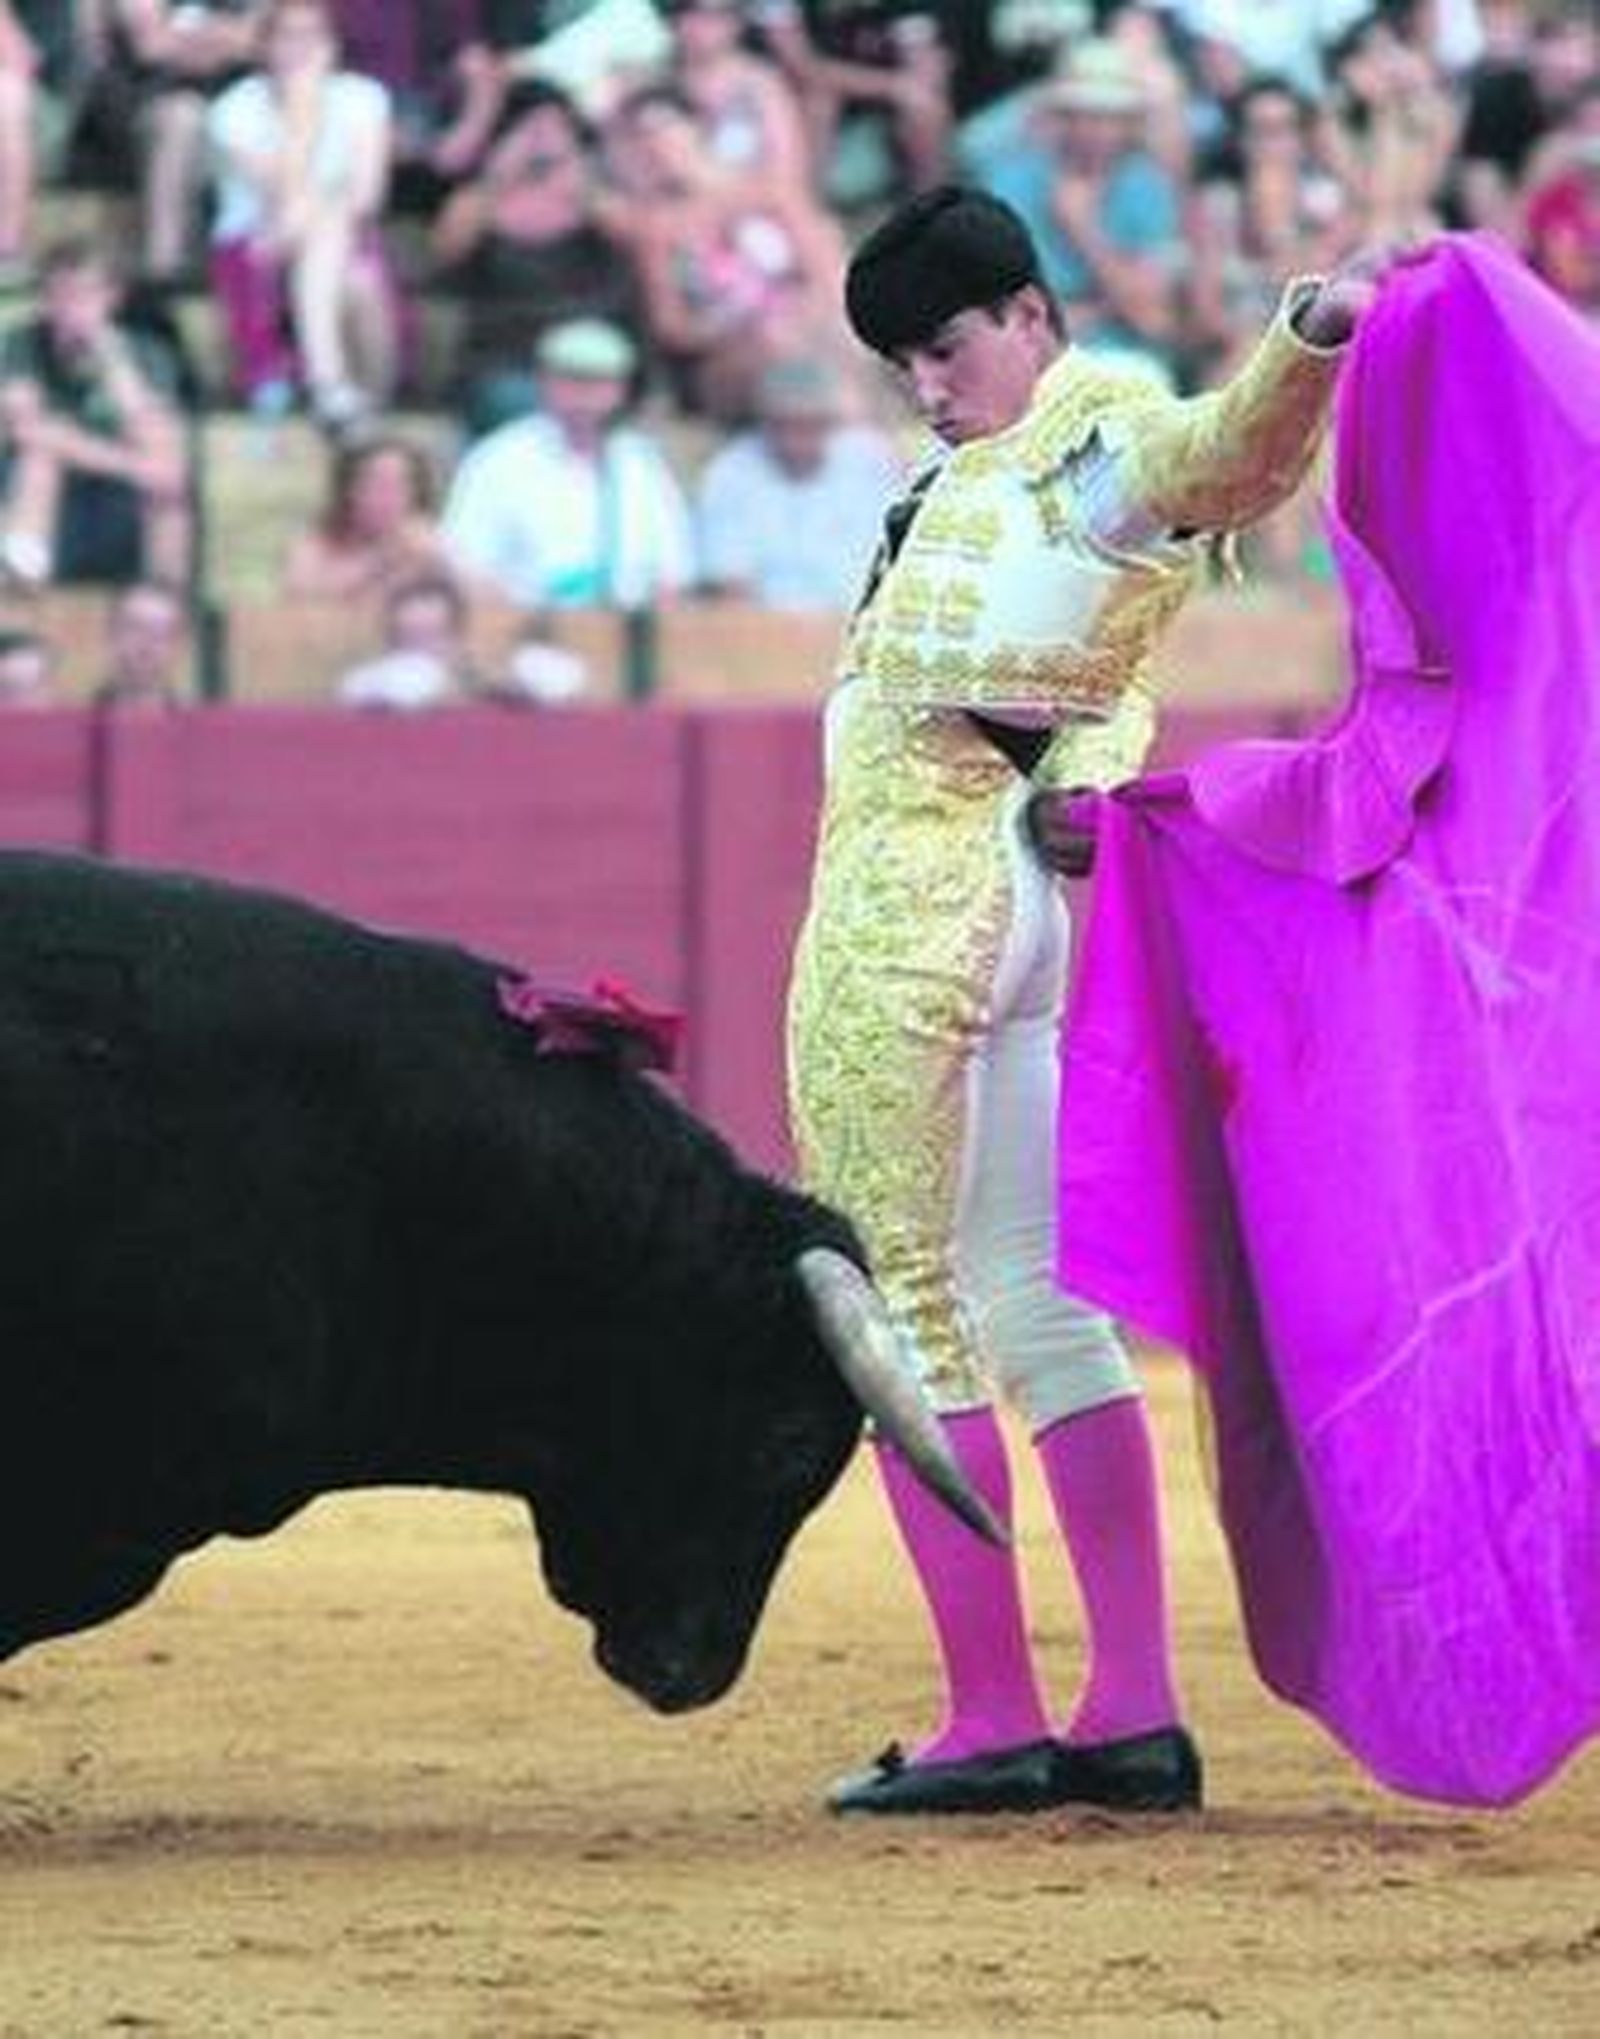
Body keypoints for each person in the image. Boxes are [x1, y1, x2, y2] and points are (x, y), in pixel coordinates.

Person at [785, 184, 1416, 1815]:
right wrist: (1091, 758)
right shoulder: (985, 479)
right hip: (1016, 916)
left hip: (903, 925)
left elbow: (1222, 454)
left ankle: (992, 1709)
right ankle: (1130, 1704)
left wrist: (1308, 337)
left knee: (895, 1303)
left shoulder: (1096, 433)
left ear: (1034, 318)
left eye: (946, 346)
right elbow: (1110, 661)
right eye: (904, 363)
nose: (929, 383)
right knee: (1031, 1294)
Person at [205, 0, 399, 430]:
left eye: (313, 36)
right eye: (287, 36)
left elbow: (366, 198)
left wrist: (306, 225)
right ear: (265, 46)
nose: (301, 48)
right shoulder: (233, 109)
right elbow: (282, 191)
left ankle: (341, 386)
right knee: (328, 238)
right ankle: (330, 384)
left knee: (355, 277)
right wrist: (302, 112)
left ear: (332, 45)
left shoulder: (364, 98)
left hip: (334, 240)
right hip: (254, 246)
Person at [441, 313, 694, 610]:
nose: (584, 395)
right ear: (544, 382)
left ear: (619, 390)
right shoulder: (498, 460)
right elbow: (464, 569)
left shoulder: (641, 462)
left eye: (598, 382)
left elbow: (673, 576)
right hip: (529, 632)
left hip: (629, 632)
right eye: (571, 380)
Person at [0, 238, 193, 589]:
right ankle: (20, 593)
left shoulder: (148, 354)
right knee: (38, 460)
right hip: (49, 492)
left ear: (112, 297)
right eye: (57, 294)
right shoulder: (23, 342)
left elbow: (163, 456)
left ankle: (165, 604)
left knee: (170, 499)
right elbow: (28, 429)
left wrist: (113, 361)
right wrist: (134, 467)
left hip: (119, 501)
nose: (68, 307)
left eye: (83, 294)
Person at [694, 353, 903, 611]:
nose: (797, 440)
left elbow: (896, 562)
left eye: (810, 426)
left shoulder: (870, 460)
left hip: (861, 624)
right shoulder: (730, 474)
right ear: (765, 423)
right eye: (785, 426)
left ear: (830, 423)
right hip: (766, 631)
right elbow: (728, 584)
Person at [280, 432, 452, 601]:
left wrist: (440, 558)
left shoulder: (428, 545)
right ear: (349, 490)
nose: (387, 497)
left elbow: (472, 597)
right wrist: (382, 558)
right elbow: (298, 594)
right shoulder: (319, 541)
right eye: (375, 484)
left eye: (399, 486)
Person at [92, 574, 191, 707]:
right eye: (135, 628)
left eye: (159, 632)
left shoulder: (197, 725)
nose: (146, 644)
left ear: (177, 646)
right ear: (111, 637)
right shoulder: (75, 722)